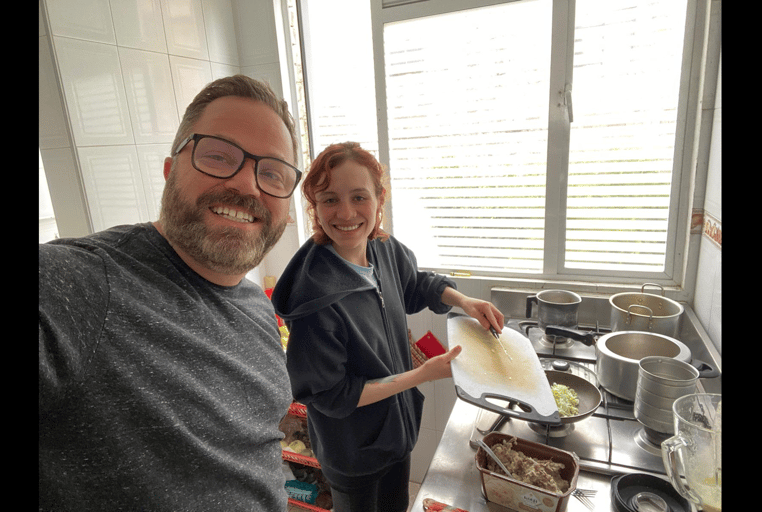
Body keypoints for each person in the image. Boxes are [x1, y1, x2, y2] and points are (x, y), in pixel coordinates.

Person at [39, 75, 302, 511]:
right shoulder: (79, 285)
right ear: (169, 170)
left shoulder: (256, 308)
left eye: (272, 173)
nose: (248, 185)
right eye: (219, 156)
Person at [271, 142, 505, 512]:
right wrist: (422, 375)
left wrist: (464, 302)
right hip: (352, 452)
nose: (346, 213)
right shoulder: (314, 298)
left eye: (359, 197)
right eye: (330, 199)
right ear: (314, 205)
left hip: (397, 433)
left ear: (380, 199)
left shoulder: (382, 248)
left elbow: (416, 285)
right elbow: (333, 395)